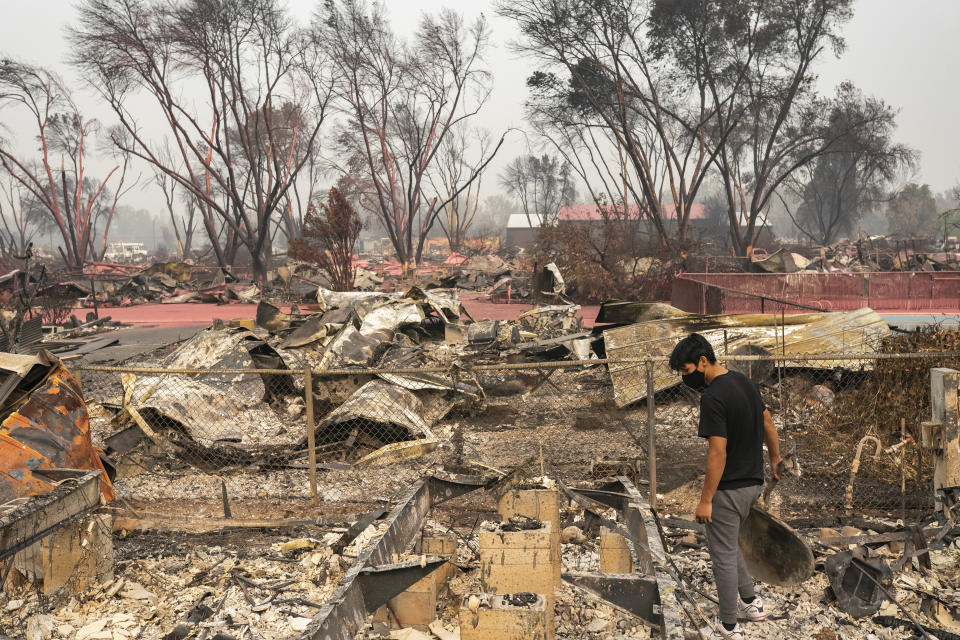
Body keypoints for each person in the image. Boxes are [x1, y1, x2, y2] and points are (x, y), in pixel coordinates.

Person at [669, 333, 782, 640]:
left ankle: (728, 627)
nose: (686, 379)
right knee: (729, 544)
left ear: (703, 361)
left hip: (729, 489)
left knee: (721, 555)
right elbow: (768, 423)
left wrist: (706, 500)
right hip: (752, 484)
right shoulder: (744, 382)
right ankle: (750, 603)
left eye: (687, 371)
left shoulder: (713, 397)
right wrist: (775, 459)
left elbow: (718, 451)